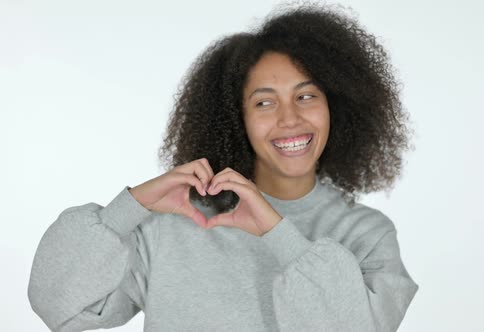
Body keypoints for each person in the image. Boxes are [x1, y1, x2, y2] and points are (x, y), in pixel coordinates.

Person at [28, 3, 419, 331]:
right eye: (264, 102)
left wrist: (276, 232)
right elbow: (63, 308)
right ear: (235, 118)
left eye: (306, 95)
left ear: (337, 106)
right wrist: (129, 207)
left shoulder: (366, 235)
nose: (289, 118)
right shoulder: (172, 226)